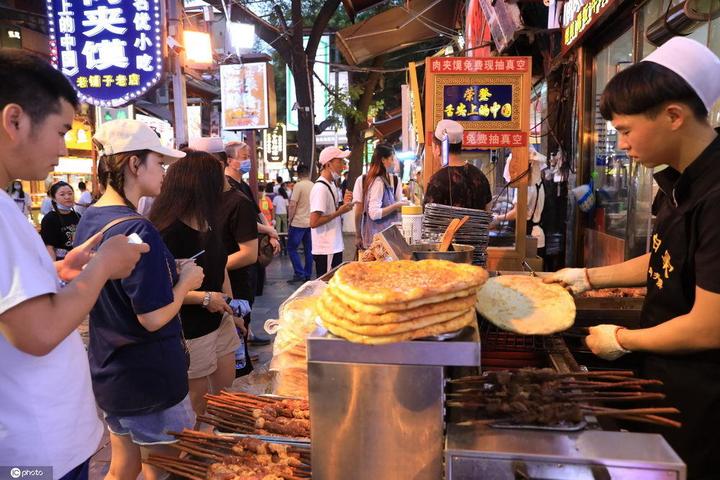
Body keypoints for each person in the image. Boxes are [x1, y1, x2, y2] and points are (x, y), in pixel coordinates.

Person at [544, 37, 720, 479]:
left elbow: (710, 325)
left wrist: (623, 339)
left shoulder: (716, 196)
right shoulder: (681, 181)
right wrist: (588, 276)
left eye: (625, 130)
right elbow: (666, 258)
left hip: (704, 396)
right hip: (666, 378)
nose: (620, 144)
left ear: (674, 116)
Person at [0, 49, 147, 480]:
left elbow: (18, 308)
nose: (64, 147)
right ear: (15, 121)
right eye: (61, 130)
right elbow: (38, 332)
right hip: (33, 454)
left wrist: (63, 274)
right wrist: (102, 267)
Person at [74, 119, 204, 480]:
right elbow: (152, 317)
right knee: (173, 467)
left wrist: (166, 267)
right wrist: (186, 282)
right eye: (158, 163)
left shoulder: (92, 218)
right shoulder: (136, 227)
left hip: (112, 372)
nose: (164, 172)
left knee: (123, 466)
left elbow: (118, 284)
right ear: (134, 164)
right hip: (149, 377)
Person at [149, 150, 239, 417]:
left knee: (226, 400)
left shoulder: (208, 222)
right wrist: (205, 298)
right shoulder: (167, 232)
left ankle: (218, 440)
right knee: (197, 405)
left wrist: (231, 310)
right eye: (218, 176)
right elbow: (160, 292)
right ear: (201, 184)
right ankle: (196, 452)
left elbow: (220, 266)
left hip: (220, 320)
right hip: (190, 330)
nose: (225, 182)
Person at [190, 136, 259, 376]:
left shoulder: (238, 202)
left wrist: (213, 268)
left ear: (218, 165)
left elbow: (249, 254)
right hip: (208, 292)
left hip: (234, 289)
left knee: (234, 366)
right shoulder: (200, 201)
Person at [224, 140, 275, 346]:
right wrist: (269, 230)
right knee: (240, 298)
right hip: (238, 252)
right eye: (244, 158)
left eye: (248, 158)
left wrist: (270, 233)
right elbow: (245, 223)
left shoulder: (243, 185)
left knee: (249, 296)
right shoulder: (228, 187)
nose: (248, 162)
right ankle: (240, 345)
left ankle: (247, 335)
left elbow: (256, 214)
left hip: (251, 254)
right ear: (229, 160)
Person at [424, 119, 492, 210]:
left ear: (437, 148)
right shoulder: (480, 176)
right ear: (460, 146)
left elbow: (428, 218)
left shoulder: (437, 181)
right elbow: (487, 211)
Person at [493, 147, 547, 258]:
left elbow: (517, 212)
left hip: (529, 238)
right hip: (536, 236)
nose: (512, 171)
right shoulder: (537, 183)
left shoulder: (526, 186)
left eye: (514, 167)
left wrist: (497, 218)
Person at [352, 143, 407, 249]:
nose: (393, 162)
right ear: (383, 160)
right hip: (383, 239)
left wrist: (358, 235)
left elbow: (358, 211)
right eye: (391, 159)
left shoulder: (394, 181)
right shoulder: (375, 181)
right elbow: (371, 212)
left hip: (375, 237)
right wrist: (397, 206)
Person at [310, 146, 355, 276]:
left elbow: (330, 211)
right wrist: (339, 212)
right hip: (327, 248)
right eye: (340, 161)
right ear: (328, 164)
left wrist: (343, 205)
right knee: (327, 286)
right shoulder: (320, 188)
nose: (343, 166)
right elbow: (313, 222)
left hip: (333, 245)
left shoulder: (331, 184)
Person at [40, 180, 81, 261]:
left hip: (78, 259)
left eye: (70, 193)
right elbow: (49, 247)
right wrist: (54, 267)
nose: (67, 197)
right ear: (54, 198)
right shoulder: (49, 219)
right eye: (62, 194)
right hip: (61, 262)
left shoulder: (77, 216)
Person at [287, 164, 314, 283]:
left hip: (298, 223)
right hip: (311, 222)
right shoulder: (314, 185)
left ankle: (299, 273)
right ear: (308, 173)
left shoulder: (298, 185)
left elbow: (293, 204)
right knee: (309, 250)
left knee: (292, 248)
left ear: (298, 174)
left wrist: (290, 219)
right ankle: (308, 274)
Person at [273, 185, 289, 252]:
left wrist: (273, 216)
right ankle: (285, 236)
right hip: (284, 213)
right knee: (285, 226)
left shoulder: (276, 198)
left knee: (278, 226)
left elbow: (274, 207)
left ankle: (278, 237)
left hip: (278, 213)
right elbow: (287, 207)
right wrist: (288, 214)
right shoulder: (285, 198)